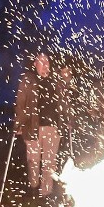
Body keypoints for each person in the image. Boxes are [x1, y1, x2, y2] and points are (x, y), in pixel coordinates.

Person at [14, 53, 69, 198]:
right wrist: (18, 124)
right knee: (33, 160)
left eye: (47, 62)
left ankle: (46, 193)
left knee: (49, 163)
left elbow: (63, 102)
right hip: (33, 127)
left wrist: (67, 120)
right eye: (41, 62)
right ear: (35, 64)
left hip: (52, 127)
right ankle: (33, 187)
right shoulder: (28, 80)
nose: (45, 65)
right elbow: (21, 103)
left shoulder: (56, 81)